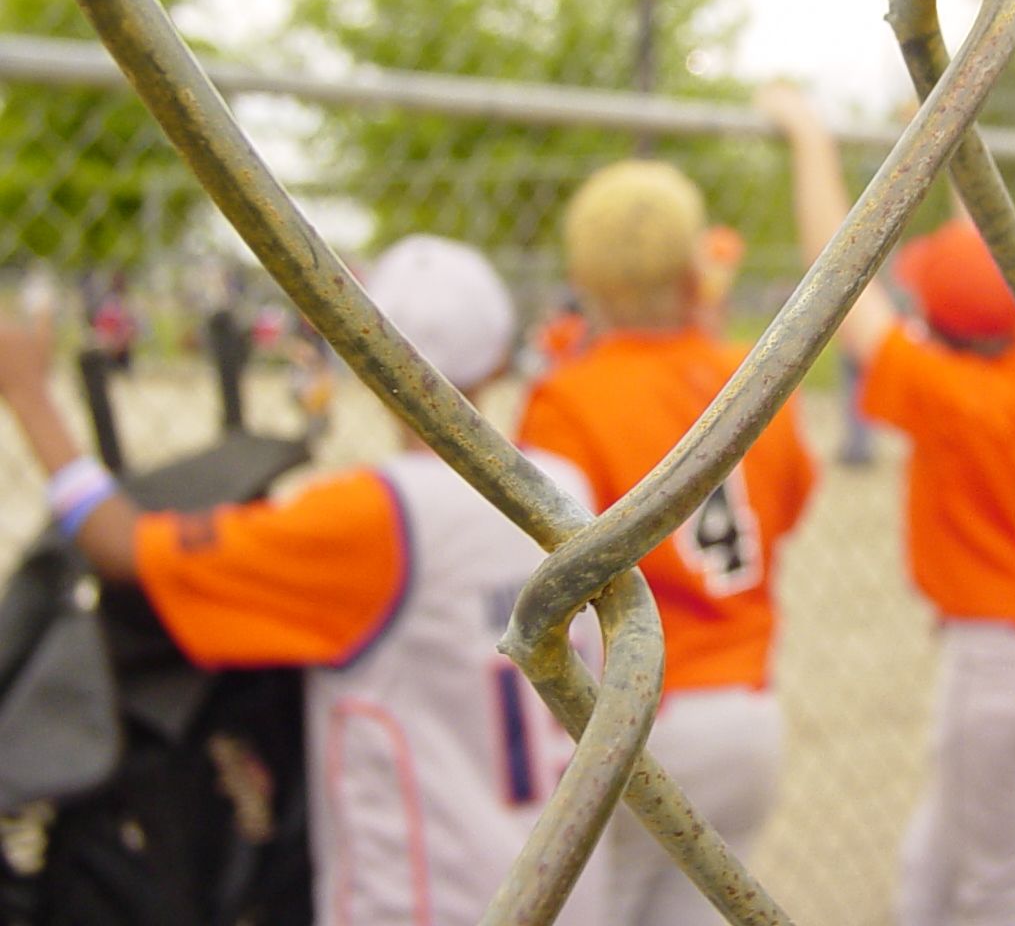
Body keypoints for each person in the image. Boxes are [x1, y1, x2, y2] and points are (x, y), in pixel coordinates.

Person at [0, 235, 604, 926]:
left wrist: (28, 397)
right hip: (569, 888)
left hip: (418, 902)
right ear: (500, 355)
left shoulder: (371, 516)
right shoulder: (563, 487)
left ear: (365, 360)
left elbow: (122, 548)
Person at [762, 82, 1015, 926]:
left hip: (1000, 665)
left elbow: (839, 273)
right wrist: (956, 117)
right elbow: (988, 246)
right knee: (936, 854)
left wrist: (810, 137)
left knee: (993, 884)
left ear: (941, 325)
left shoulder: (950, 393)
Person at [514, 159, 817, 926]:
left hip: (635, 711)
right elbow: (790, 502)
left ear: (583, 276)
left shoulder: (567, 399)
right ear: (695, 269)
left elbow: (546, 567)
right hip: (748, 712)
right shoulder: (750, 376)